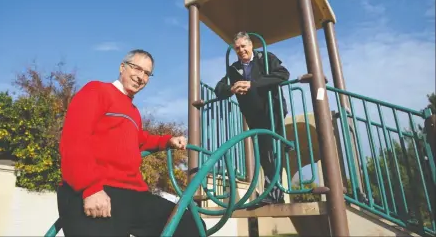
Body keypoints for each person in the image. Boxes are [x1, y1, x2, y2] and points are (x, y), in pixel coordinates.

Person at [57, 49, 205, 236]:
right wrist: (90, 188)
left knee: (190, 225)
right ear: (122, 67)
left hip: (131, 194)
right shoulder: (97, 90)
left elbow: (139, 140)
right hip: (97, 188)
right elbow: (75, 139)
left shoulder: (133, 111)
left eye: (147, 73)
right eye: (137, 68)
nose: (141, 77)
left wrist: (168, 140)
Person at [214, 31, 290, 205]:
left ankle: (274, 193)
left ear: (251, 45)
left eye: (243, 46)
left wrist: (252, 84)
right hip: (254, 115)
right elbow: (219, 88)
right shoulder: (234, 68)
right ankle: (273, 194)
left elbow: (283, 74)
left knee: (273, 150)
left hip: (272, 111)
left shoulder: (266, 58)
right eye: (237, 48)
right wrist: (232, 89)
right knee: (264, 153)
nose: (241, 50)